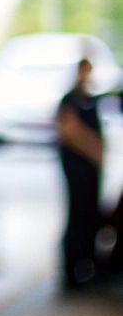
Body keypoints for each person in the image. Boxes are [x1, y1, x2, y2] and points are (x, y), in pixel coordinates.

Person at [55, 58, 105, 292]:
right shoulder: (70, 100)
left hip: (92, 171)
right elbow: (68, 130)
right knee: (76, 216)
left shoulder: (90, 100)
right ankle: (70, 272)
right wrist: (94, 149)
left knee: (90, 216)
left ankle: (87, 267)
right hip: (77, 169)